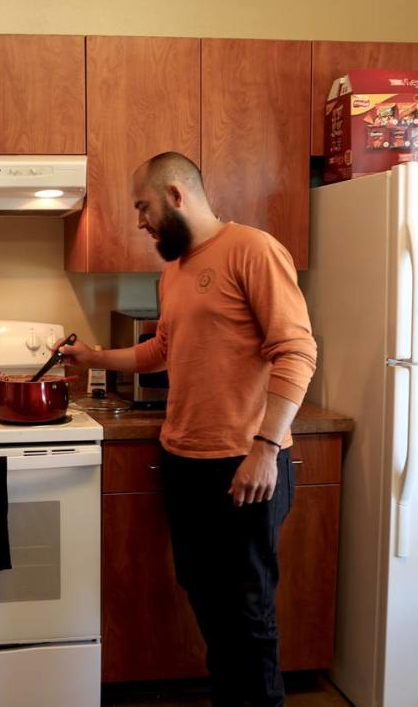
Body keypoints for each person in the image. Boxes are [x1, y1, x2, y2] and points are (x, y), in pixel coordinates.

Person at [60, 151, 317, 707]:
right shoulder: (173, 271)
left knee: (247, 613)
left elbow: (297, 351)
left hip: (242, 464)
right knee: (205, 598)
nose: (140, 221)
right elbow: (163, 350)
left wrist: (266, 448)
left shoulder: (253, 250)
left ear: (176, 194)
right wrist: (93, 357)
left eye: (143, 207)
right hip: (185, 460)